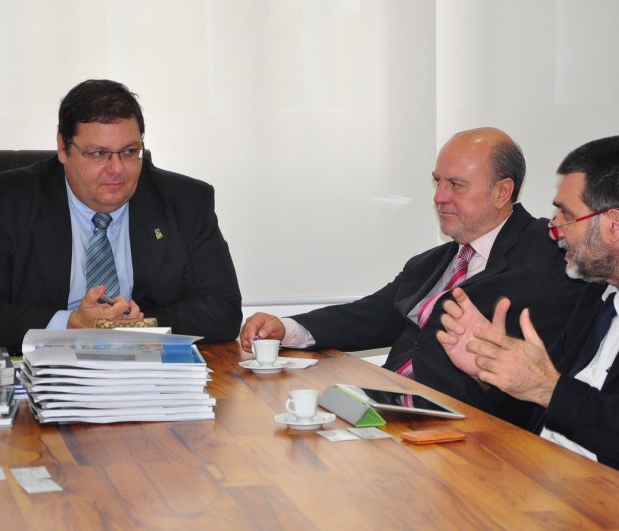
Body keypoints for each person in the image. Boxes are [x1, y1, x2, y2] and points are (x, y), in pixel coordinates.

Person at [437, 135, 619, 504]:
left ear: (614, 225)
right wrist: (492, 371)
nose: (553, 227)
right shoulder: (598, 288)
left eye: (567, 215)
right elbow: (541, 409)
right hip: (540, 483)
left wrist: (549, 387)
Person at [240, 127, 584, 426]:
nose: (439, 197)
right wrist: (287, 328)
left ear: (502, 192)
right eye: (438, 182)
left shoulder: (552, 253)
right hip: (388, 416)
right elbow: (371, 315)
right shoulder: (430, 263)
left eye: (456, 185)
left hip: (475, 436)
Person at [0, 79, 242, 353]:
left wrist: (131, 325)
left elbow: (223, 310)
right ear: (63, 147)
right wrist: (71, 324)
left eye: (129, 151)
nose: (116, 169)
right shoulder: (1, 203)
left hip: (147, 377)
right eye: (98, 154)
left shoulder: (186, 202)